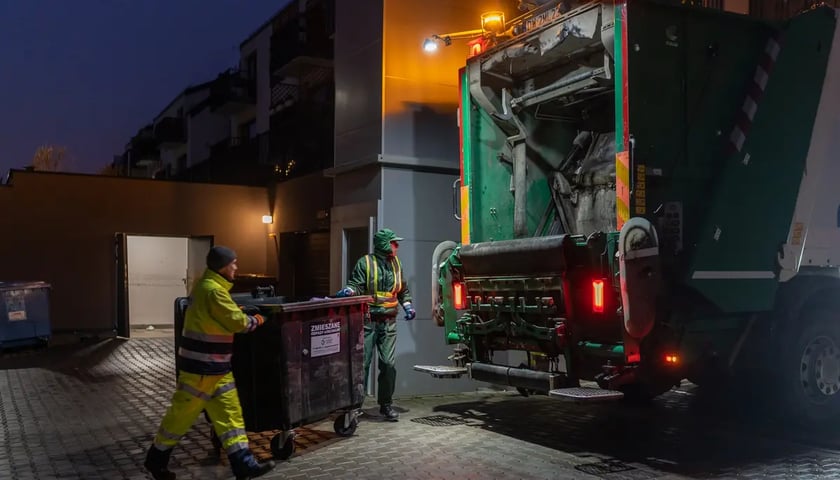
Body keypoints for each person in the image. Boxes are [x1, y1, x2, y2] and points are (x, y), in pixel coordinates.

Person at [144, 246, 276, 480]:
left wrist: (241, 311)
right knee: (180, 418)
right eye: (233, 263)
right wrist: (259, 318)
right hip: (202, 370)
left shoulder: (208, 288)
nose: (236, 267)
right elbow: (238, 324)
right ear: (224, 266)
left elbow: (222, 316)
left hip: (215, 368)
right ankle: (156, 460)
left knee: (231, 417)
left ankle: (244, 465)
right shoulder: (213, 291)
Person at [337, 228, 415, 421]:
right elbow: (356, 284)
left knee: (388, 364)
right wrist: (349, 290)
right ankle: (355, 406)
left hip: (388, 322)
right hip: (368, 321)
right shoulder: (366, 263)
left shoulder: (396, 263)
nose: (397, 246)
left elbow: (402, 289)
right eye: (393, 243)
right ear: (383, 244)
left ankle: (386, 405)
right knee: (362, 364)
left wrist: (408, 306)